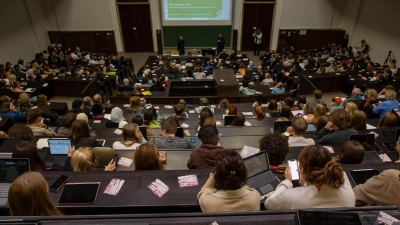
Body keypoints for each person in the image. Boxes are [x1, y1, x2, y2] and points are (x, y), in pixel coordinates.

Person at [265, 145, 355, 210]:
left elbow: (269, 203)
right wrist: (305, 183)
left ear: (302, 170)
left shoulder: (291, 197)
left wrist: (287, 181)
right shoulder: (347, 191)